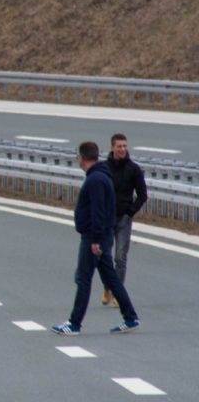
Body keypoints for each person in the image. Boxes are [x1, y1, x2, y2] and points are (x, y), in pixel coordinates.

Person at [51, 141, 140, 336]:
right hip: (100, 236)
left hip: (94, 237)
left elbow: (99, 212)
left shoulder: (96, 180)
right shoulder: (100, 176)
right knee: (111, 277)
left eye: (78, 157)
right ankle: (131, 317)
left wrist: (96, 241)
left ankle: (74, 323)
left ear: (82, 158)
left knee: (83, 278)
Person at [102, 133, 148, 307]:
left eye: (124, 146)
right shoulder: (104, 168)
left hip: (124, 219)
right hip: (106, 219)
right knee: (105, 256)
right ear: (112, 147)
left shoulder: (134, 169)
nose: (122, 149)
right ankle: (107, 288)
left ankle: (117, 293)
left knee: (120, 257)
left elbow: (143, 195)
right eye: (119, 146)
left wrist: (130, 212)